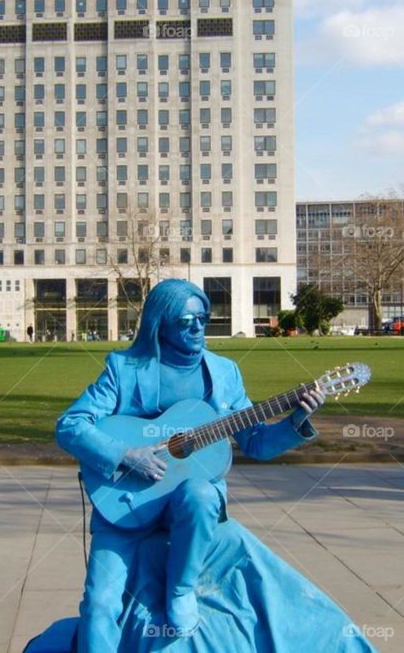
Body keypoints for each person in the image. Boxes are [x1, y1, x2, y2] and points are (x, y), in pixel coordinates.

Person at [56, 279, 374, 652]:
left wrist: (294, 423)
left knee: (201, 492)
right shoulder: (123, 368)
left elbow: (256, 442)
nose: (197, 327)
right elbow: (70, 425)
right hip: (122, 507)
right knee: (98, 606)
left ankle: (181, 590)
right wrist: (127, 455)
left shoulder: (223, 373)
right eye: (185, 320)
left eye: (203, 318)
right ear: (160, 324)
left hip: (189, 508)